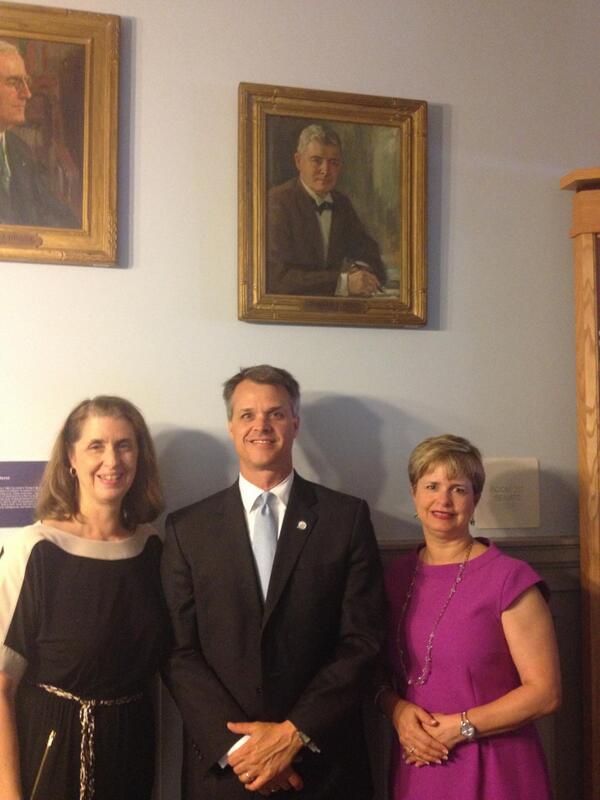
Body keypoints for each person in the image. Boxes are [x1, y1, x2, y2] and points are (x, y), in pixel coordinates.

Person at [161, 364, 385, 798]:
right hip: (227, 770)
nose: (261, 425)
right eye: (247, 415)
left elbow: (363, 639)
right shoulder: (187, 528)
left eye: (276, 414)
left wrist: (293, 735)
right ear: (230, 426)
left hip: (324, 764)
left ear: (295, 423)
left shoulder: (345, 519)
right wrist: (244, 750)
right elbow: (177, 651)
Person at [0, 396, 169, 800]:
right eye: (96, 445)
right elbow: (0, 686)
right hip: (50, 750)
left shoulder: (154, 550)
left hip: (130, 752)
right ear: (71, 458)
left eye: (124, 445)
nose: (112, 460)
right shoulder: (36, 549)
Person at [376, 434, 561, 800]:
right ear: (414, 495)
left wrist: (461, 727)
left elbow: (545, 693)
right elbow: (376, 671)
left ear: (475, 500)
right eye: (431, 486)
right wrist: (395, 710)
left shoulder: (509, 578)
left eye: (458, 489)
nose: (443, 500)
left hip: (496, 768)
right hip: (419, 765)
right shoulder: (394, 577)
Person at [267, 124, 386, 296]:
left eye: (334, 162)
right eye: (317, 160)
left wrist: (362, 271)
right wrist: (343, 283)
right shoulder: (277, 202)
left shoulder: (341, 204)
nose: (326, 170)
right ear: (298, 161)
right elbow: (275, 278)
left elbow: (370, 254)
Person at [0, 39, 78, 228]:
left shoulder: (19, 150)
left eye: (26, 82)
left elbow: (54, 214)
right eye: (13, 82)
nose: (26, 94)